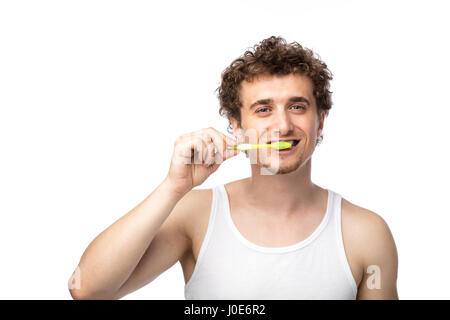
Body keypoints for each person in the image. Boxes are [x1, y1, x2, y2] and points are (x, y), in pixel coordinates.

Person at [68, 36, 398, 300]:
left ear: (320, 121)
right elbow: (87, 289)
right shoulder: (195, 216)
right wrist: (173, 187)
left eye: (297, 106)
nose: (282, 126)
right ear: (237, 127)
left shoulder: (365, 233)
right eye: (263, 109)